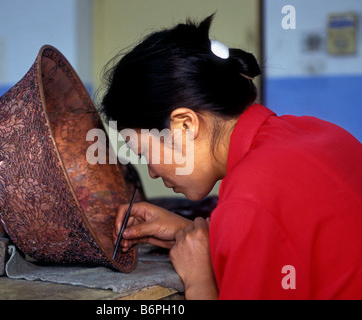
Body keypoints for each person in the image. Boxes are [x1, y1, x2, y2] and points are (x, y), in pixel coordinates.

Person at [99, 14, 362, 299]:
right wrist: (196, 234)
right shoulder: (316, 131)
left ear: (185, 125)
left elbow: (260, 215)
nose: (150, 172)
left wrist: (199, 279)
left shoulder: (250, 199)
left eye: (145, 152)